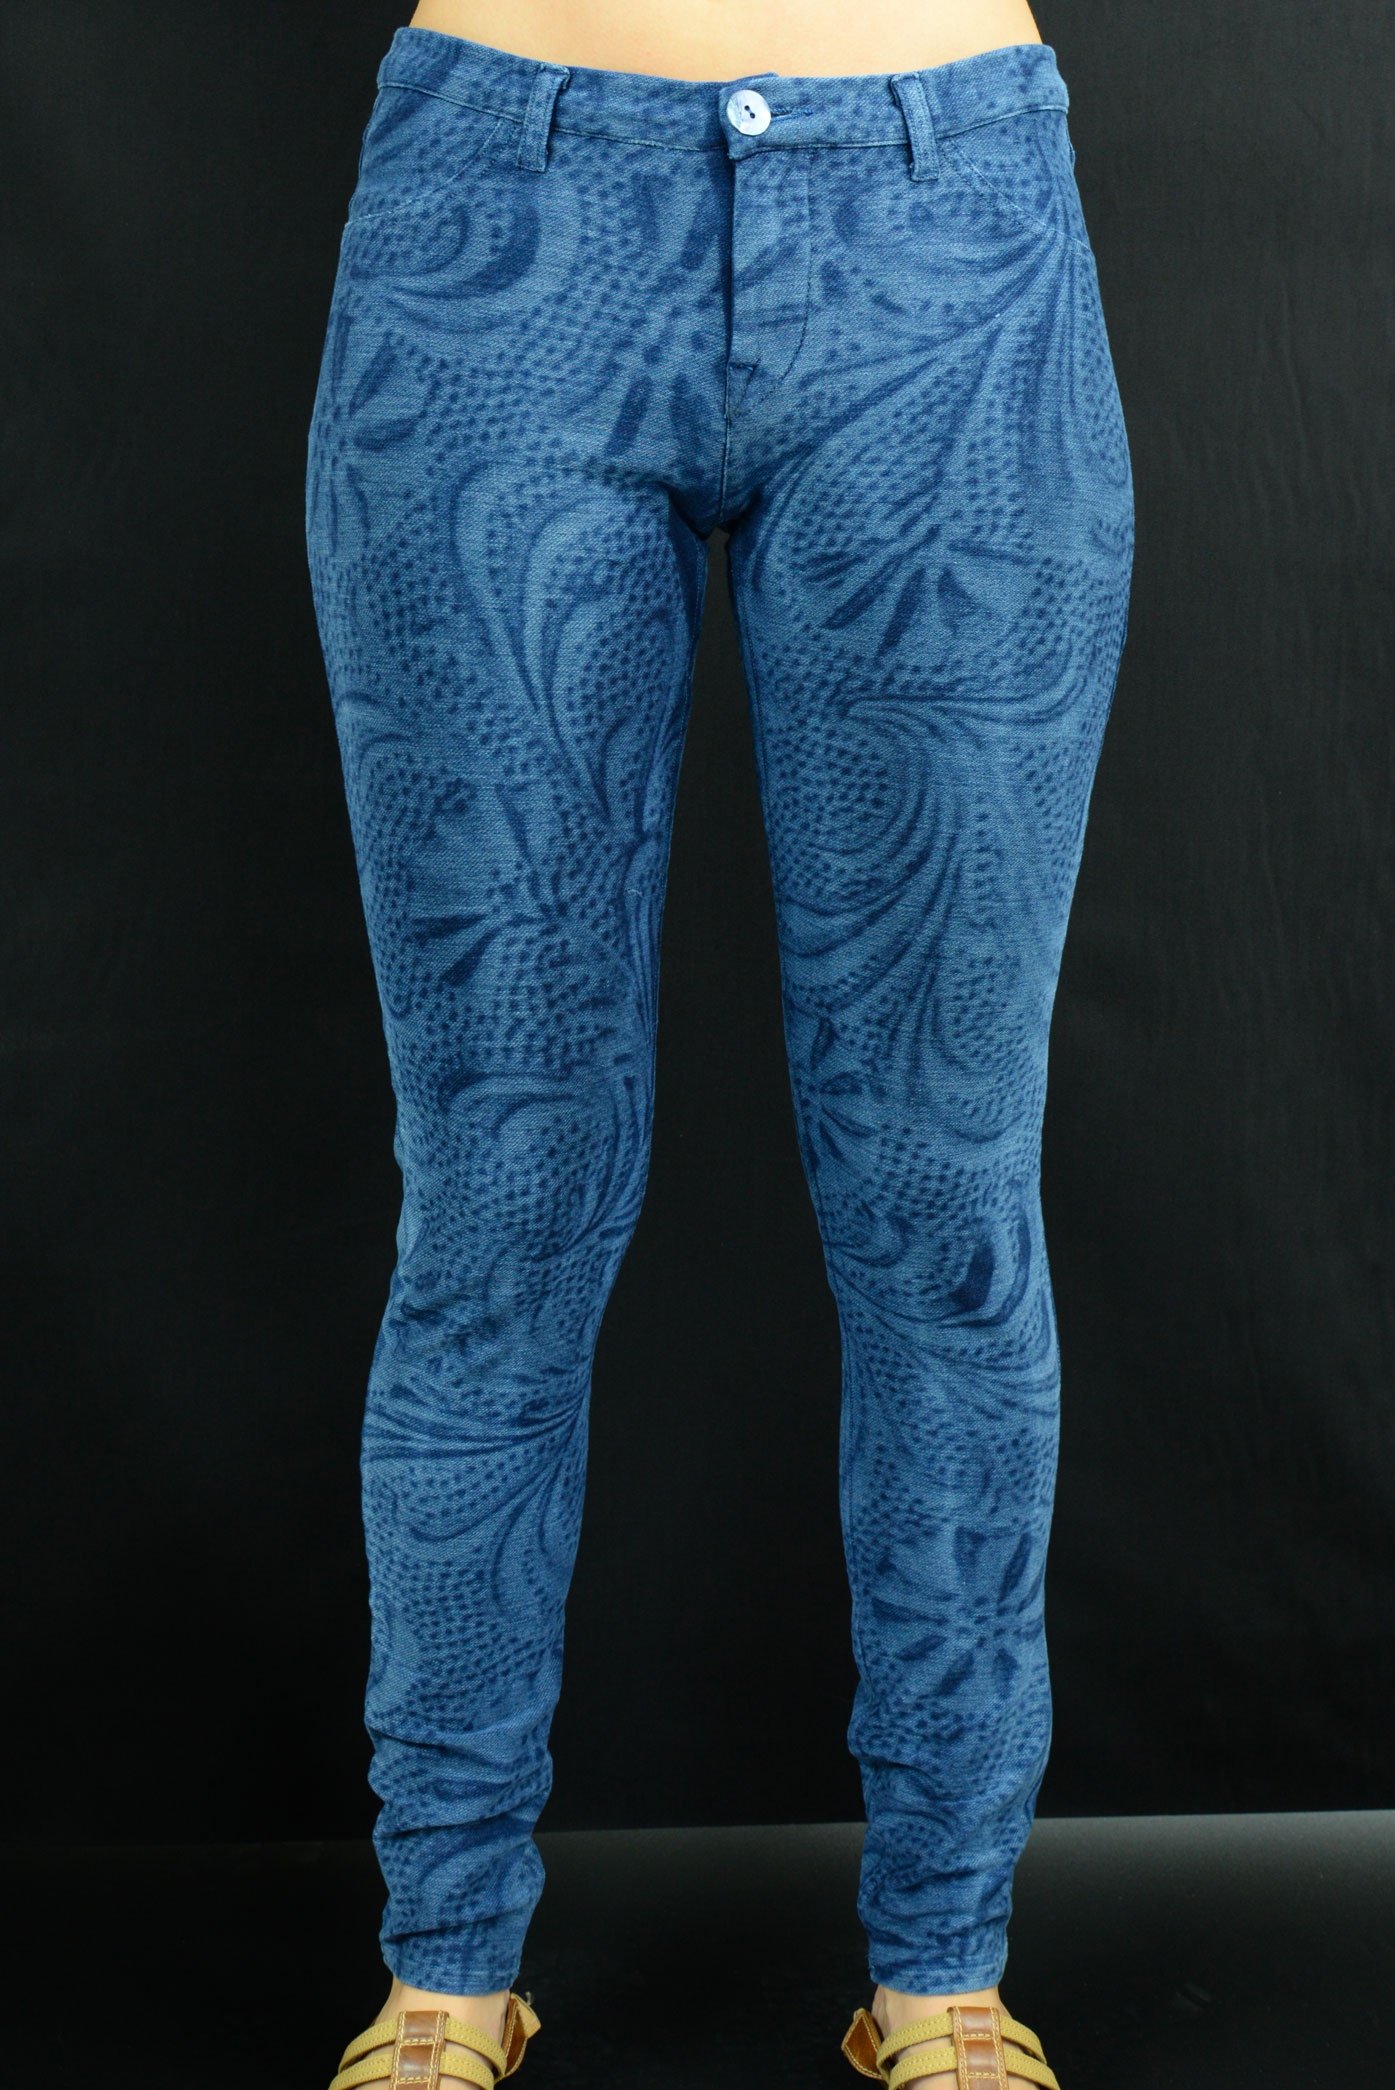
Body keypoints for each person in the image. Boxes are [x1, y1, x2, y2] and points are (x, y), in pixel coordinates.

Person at [305, 0, 1133, 2082]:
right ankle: (441, 1968)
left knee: (943, 1194)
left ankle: (945, 1970)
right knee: (496, 1190)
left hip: (947, 243)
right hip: (501, 233)